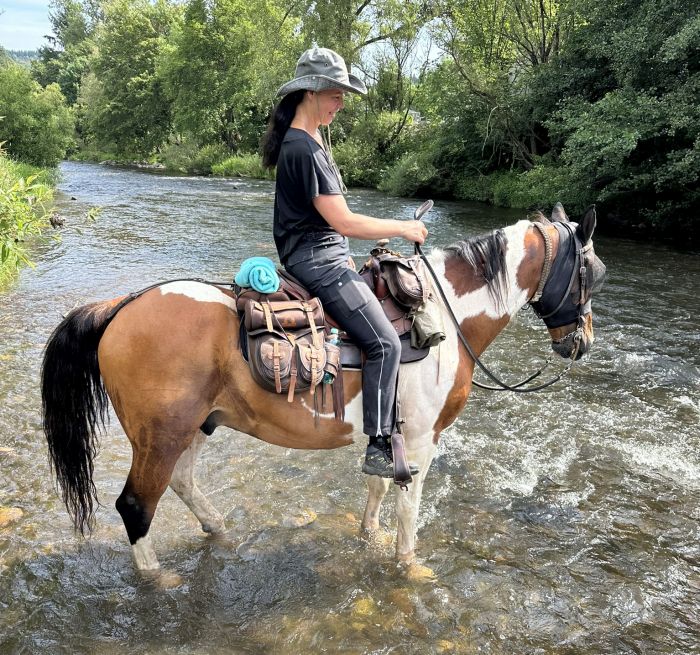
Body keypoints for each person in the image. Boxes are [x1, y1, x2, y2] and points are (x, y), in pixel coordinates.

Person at [261, 47, 428, 479]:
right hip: (319, 262)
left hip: (321, 253)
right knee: (386, 343)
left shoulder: (307, 139)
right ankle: (376, 444)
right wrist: (403, 229)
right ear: (314, 91)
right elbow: (344, 221)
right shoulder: (305, 148)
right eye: (337, 94)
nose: (341, 103)